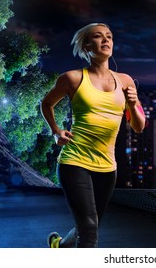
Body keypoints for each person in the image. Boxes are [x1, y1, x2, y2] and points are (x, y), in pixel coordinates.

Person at [40, 23, 146, 248]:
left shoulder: (125, 81)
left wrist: (134, 103)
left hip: (107, 168)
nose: (106, 40)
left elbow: (139, 126)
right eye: (98, 37)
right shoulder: (72, 78)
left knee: (90, 225)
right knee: (89, 230)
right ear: (88, 46)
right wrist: (56, 131)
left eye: (109, 37)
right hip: (74, 162)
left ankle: (60, 246)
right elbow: (47, 103)